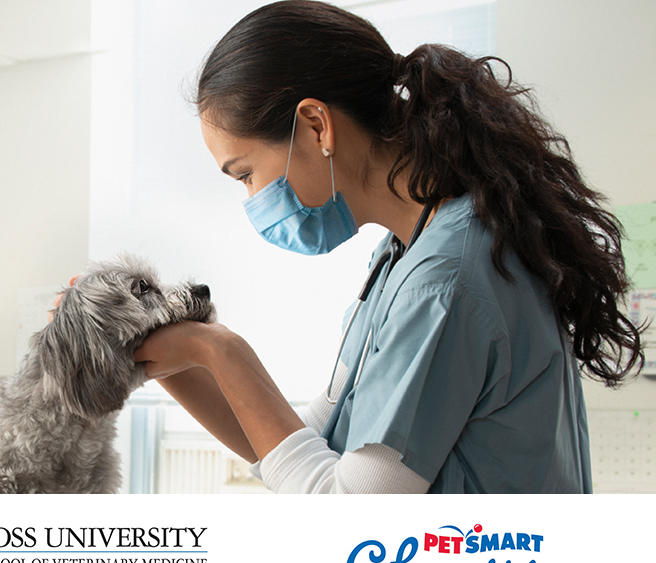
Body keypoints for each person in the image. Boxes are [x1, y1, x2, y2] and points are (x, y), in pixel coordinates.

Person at [131, 0, 644, 493]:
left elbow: (349, 509)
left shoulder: (445, 282)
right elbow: (298, 442)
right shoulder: (403, 254)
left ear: (316, 126)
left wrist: (220, 351)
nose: (252, 199)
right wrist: (148, 353)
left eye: (245, 173)